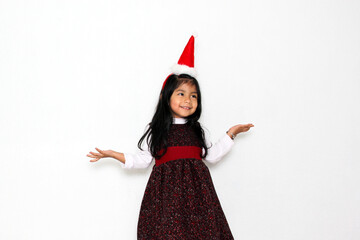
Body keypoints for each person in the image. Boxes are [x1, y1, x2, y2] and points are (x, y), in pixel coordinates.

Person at [87, 36, 254, 239]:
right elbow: (142, 160)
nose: (188, 100)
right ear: (166, 97)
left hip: (198, 200)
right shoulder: (158, 131)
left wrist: (231, 134)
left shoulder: (197, 131)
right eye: (181, 94)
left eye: (193, 95)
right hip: (165, 200)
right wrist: (114, 154)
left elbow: (211, 156)